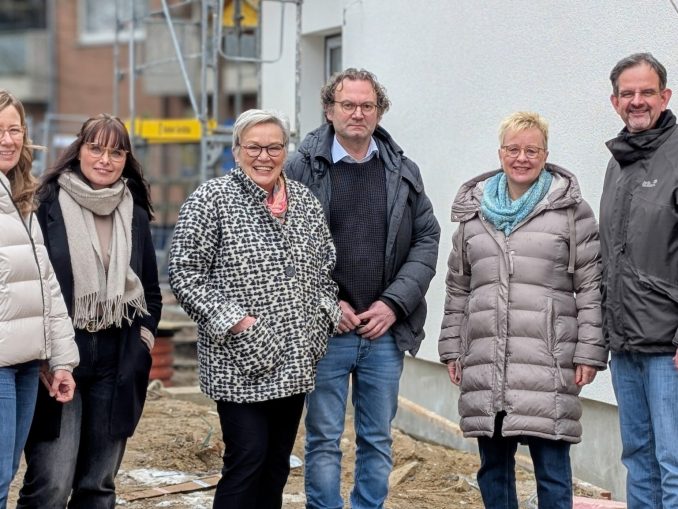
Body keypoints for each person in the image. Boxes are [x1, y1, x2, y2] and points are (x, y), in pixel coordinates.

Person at [168, 109, 341, 509]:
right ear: (236, 151)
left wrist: (322, 317)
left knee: (276, 465)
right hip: (240, 361)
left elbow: (326, 268)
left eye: (274, 147)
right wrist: (238, 323)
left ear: (285, 151)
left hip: (295, 358)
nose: (265, 157)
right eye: (254, 147)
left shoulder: (304, 201)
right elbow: (185, 274)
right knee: (247, 460)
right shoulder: (212, 199)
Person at [286, 68, 440, 509]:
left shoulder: (403, 171)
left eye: (367, 105)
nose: (358, 113)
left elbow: (427, 238)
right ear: (329, 110)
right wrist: (326, 303)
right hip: (325, 330)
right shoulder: (300, 168)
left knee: (377, 438)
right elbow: (285, 243)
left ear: (379, 112)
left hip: (383, 331)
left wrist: (394, 304)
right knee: (323, 437)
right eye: (348, 105)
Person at [438, 111, 608, 509]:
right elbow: (458, 286)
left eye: (532, 150)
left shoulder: (572, 212)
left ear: (546, 154)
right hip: (488, 362)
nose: (522, 158)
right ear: (500, 153)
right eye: (513, 149)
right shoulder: (474, 214)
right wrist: (451, 347)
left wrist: (588, 352)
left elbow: (590, 287)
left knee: (552, 471)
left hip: (548, 361)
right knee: (494, 469)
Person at [17, 114, 162, 509]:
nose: (105, 160)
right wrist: (44, 353)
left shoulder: (133, 211)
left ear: (126, 159)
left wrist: (144, 341)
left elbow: (150, 289)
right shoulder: (43, 204)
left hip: (118, 357)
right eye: (96, 148)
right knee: (51, 484)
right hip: (60, 356)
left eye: (116, 152)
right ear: (78, 150)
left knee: (98, 486)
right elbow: (33, 282)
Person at [601, 52, 678, 508]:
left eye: (647, 92)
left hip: (668, 347)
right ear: (614, 102)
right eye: (627, 93)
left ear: (665, 97)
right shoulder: (619, 162)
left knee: (674, 463)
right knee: (639, 461)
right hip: (624, 345)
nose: (637, 101)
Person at [0, 89, 78, 509]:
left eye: (15, 130)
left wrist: (59, 359)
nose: (8, 140)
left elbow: (45, 286)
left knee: (5, 474)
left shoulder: (20, 198)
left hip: (26, 362)